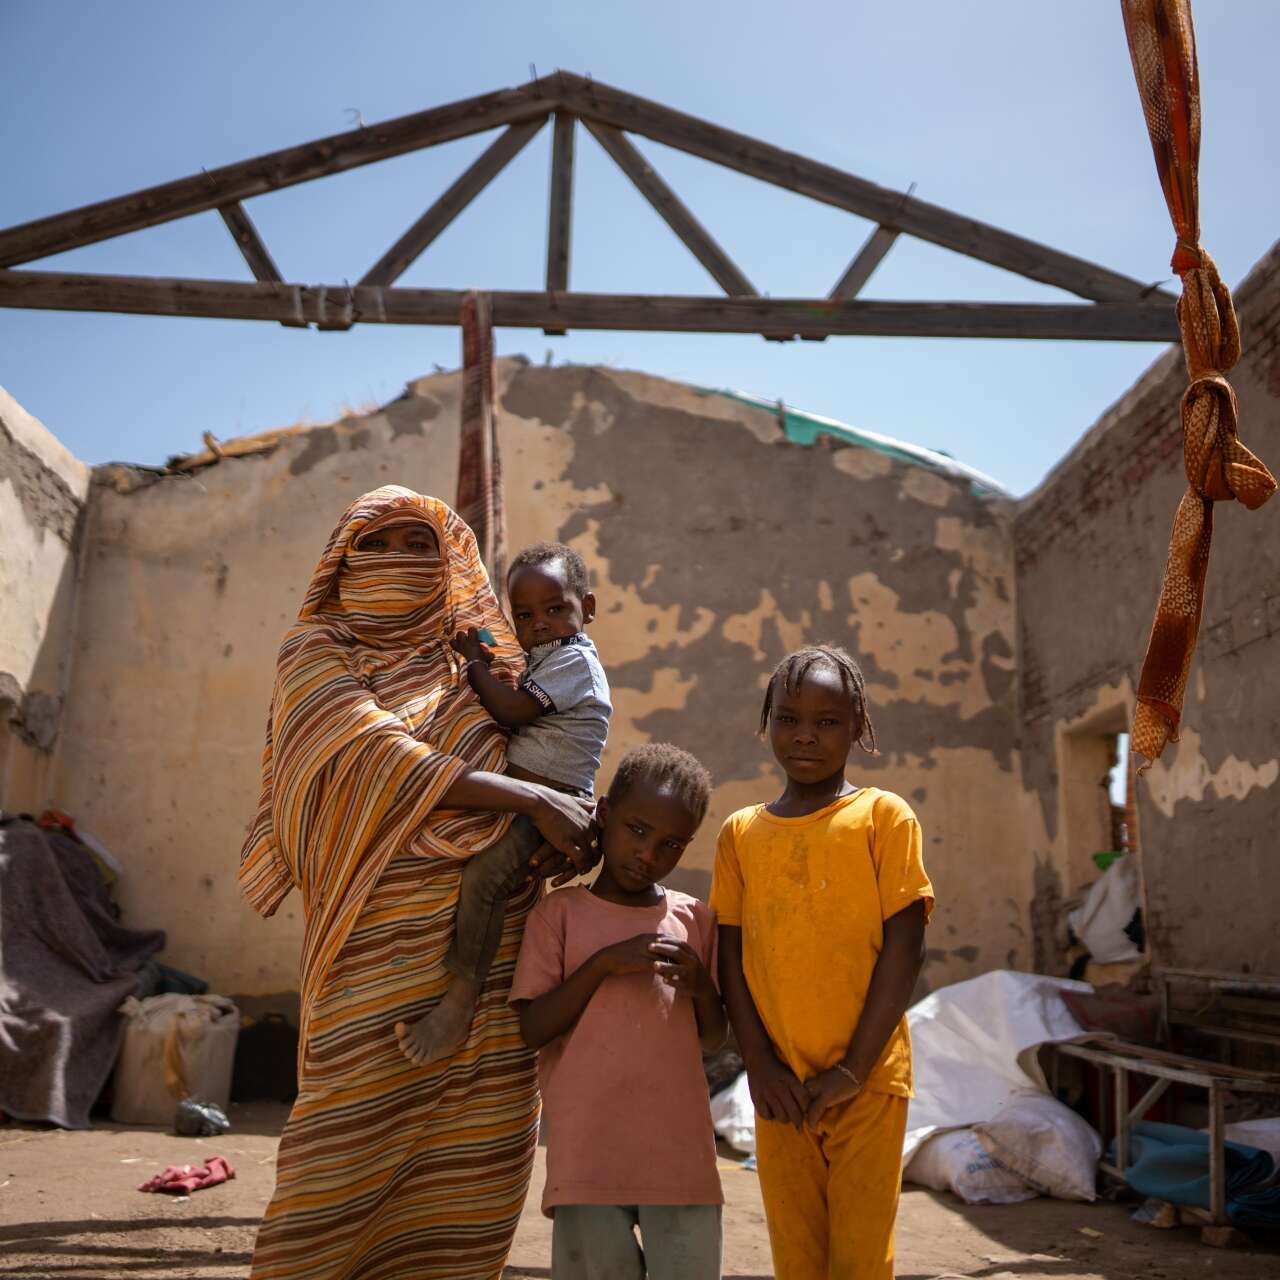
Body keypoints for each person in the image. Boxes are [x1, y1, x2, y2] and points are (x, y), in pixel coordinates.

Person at [238, 486, 596, 1280]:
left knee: (474, 1167)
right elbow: (375, 758)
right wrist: (534, 801)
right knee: (338, 1154)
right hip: (371, 948)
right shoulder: (318, 650)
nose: (402, 561)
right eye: (382, 545)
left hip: (497, 949)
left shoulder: (483, 658)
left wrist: (571, 827)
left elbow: (558, 752)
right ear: (344, 560)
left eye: (420, 546)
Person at [711, 645, 934, 1280]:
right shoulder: (741, 832)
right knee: (798, 1259)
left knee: (860, 1261)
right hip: (781, 1087)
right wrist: (758, 1064)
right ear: (768, 722)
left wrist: (853, 1071)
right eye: (788, 718)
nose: (805, 735)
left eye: (828, 721)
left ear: (858, 725)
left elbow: (905, 947)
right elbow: (731, 956)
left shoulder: (883, 817)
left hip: (864, 1081)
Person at [510, 744, 726, 1280]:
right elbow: (532, 1028)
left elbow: (714, 1038)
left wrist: (701, 986)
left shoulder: (693, 920)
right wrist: (603, 965)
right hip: (589, 1159)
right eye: (636, 830)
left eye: (670, 843)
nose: (648, 854)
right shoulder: (559, 914)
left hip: (680, 1161)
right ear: (604, 815)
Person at [397, 541, 611, 1066]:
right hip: (529, 798)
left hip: (553, 806)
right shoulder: (546, 653)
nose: (539, 623)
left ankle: (462, 994)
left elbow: (513, 711)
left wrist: (473, 666)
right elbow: (494, 640)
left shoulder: (575, 662)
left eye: (555, 608)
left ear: (589, 607)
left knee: (487, 877)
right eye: (525, 614)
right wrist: (478, 636)